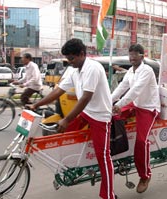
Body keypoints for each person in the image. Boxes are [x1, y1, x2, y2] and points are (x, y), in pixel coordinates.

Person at [28, 39, 116, 199]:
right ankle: (74, 169)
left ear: (82, 54)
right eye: (68, 59)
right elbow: (58, 91)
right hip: (86, 112)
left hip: (100, 116)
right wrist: (36, 105)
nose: (70, 62)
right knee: (66, 137)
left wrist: (67, 119)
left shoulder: (93, 68)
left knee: (102, 155)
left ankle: (108, 195)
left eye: (72, 58)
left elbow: (85, 98)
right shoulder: (74, 70)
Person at [112, 44, 160, 194]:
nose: (132, 57)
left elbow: (135, 90)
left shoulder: (146, 70)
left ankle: (145, 175)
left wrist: (119, 104)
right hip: (135, 104)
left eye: (135, 54)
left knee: (141, 141)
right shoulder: (131, 72)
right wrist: (108, 102)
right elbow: (121, 88)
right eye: (130, 54)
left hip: (148, 108)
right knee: (110, 116)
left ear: (142, 56)